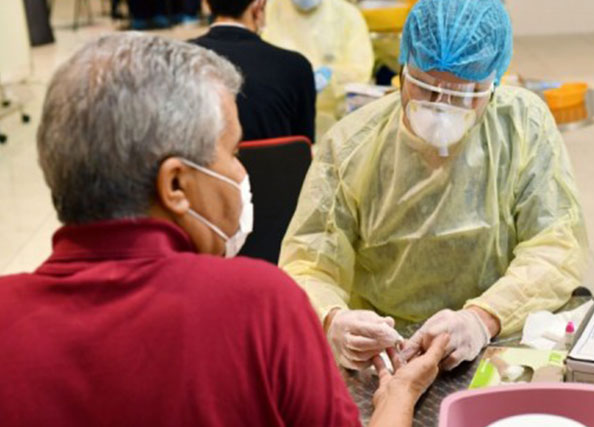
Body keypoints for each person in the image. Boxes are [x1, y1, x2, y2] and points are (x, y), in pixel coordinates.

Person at [0, 32, 448, 427]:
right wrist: (400, 394)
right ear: (176, 186)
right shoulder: (258, 306)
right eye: (232, 152)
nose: (241, 173)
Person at [280, 0, 588, 372]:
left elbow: (555, 244)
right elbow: (308, 262)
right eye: (425, 88)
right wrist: (333, 319)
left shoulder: (522, 126)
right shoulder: (352, 145)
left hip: (498, 340)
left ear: (493, 83)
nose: (441, 108)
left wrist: (482, 318)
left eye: (463, 95)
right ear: (403, 67)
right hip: (384, 352)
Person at [192, 0, 316, 142]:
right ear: (259, 5)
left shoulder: (180, 59)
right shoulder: (296, 66)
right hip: (275, 158)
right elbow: (303, 146)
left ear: (206, 4)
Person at [262, 0, 374, 138]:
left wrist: (330, 76)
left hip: (335, 122)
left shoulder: (347, 14)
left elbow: (361, 70)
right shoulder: (268, 11)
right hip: (282, 119)